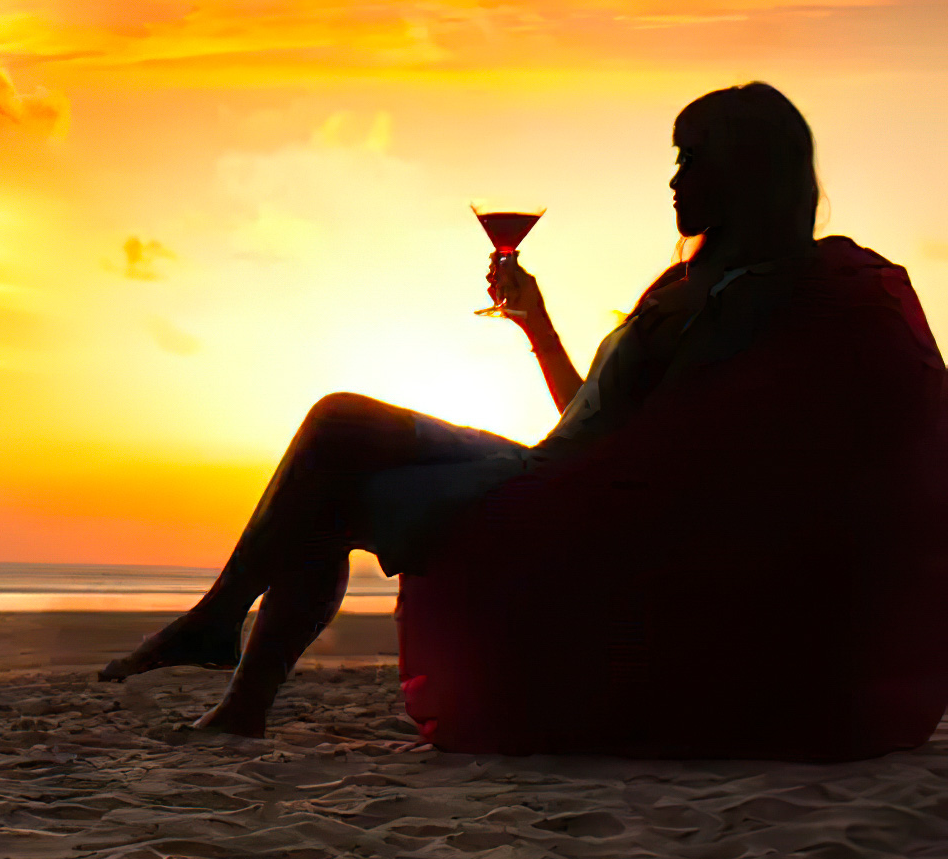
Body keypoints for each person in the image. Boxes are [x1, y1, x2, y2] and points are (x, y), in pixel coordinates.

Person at [99, 81, 839, 739]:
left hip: (569, 490)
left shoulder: (736, 303)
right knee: (337, 437)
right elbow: (596, 414)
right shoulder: (690, 282)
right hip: (556, 463)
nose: (675, 178)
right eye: (675, 158)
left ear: (747, 173)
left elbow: (662, 451)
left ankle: (222, 633)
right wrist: (537, 323)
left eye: (693, 159)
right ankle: (233, 673)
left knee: (339, 441)